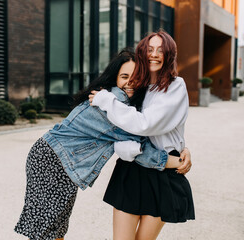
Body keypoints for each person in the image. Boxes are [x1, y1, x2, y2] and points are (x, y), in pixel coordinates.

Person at [14, 48, 190, 240]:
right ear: (114, 78)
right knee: (46, 226)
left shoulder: (122, 104)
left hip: (56, 157)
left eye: (136, 76)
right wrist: (175, 161)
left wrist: (183, 146)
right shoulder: (114, 106)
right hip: (51, 160)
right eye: (124, 76)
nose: (130, 82)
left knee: (57, 224)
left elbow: (153, 128)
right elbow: (141, 148)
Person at [89, 31, 195, 240]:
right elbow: (117, 133)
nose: (154, 54)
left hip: (162, 173)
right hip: (132, 172)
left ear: (169, 55)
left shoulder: (175, 85)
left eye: (161, 50)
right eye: (149, 49)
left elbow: (146, 124)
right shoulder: (137, 86)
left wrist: (183, 147)